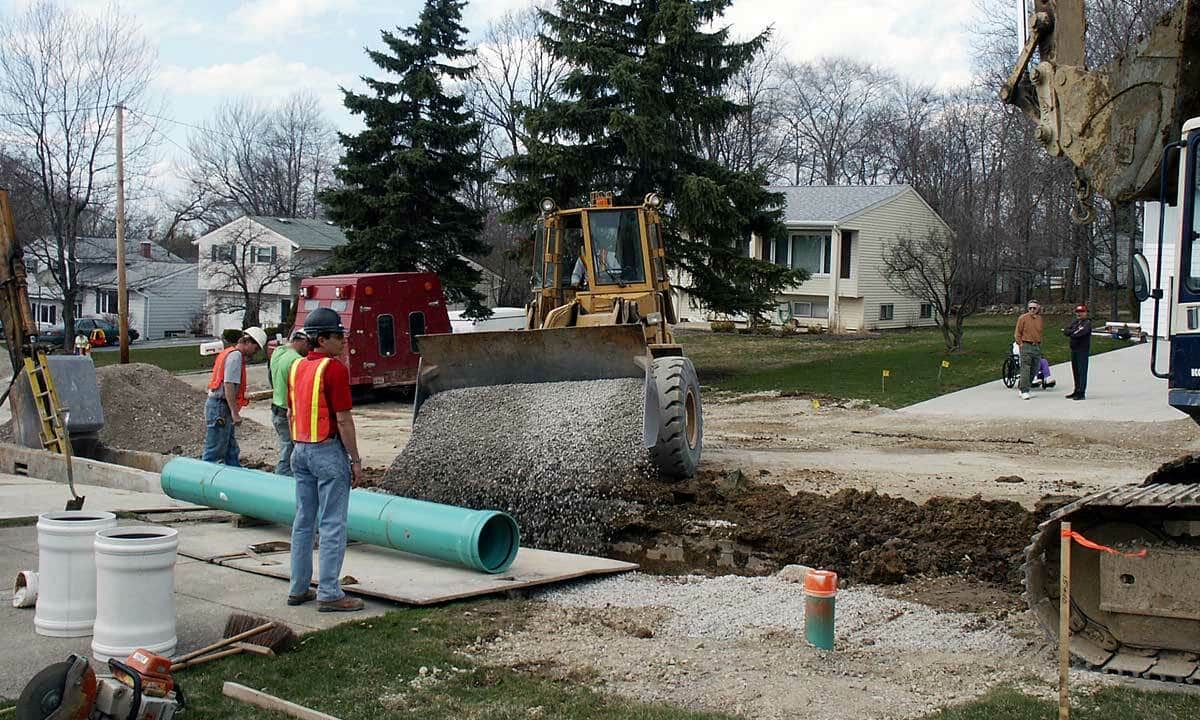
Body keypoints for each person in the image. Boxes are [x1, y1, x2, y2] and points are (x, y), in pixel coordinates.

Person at [286, 307, 364, 612]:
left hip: (300, 449)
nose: (343, 341)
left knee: (304, 521)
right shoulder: (333, 369)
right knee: (332, 523)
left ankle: (298, 587)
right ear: (322, 339)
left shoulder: (297, 367)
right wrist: (355, 460)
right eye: (338, 336)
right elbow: (343, 420)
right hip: (326, 450)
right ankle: (330, 593)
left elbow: (291, 411)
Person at [201, 327, 267, 467]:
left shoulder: (230, 353)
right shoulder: (235, 356)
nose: (255, 353)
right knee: (214, 451)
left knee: (231, 450)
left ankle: (235, 477)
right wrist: (234, 412)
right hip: (220, 407)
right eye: (255, 349)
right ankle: (204, 480)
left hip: (219, 405)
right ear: (249, 342)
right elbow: (229, 385)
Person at [268, 329, 309, 475]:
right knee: (289, 449)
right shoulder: (297, 360)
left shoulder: (278, 352)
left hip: (276, 408)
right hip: (288, 411)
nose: (309, 349)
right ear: (303, 341)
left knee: (287, 445)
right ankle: (282, 479)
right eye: (308, 345)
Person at [1014, 299, 1044, 400]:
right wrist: (1021, 344)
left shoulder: (1039, 319)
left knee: (1035, 368)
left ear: (1038, 308)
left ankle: (1023, 386)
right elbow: (1018, 332)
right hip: (1026, 345)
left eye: (1034, 308)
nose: (1032, 310)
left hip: (1036, 346)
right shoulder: (1023, 318)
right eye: (1030, 308)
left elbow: (1039, 332)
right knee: (1025, 368)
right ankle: (1024, 390)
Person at [1064, 304, 1092, 400]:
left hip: (1082, 350)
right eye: (1078, 312)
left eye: (1081, 312)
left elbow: (1079, 333)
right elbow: (1066, 331)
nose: (1079, 314)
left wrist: (1072, 332)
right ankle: (1076, 390)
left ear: (1086, 313)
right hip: (1074, 349)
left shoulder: (1087, 323)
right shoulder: (1075, 322)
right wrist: (1073, 331)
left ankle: (1081, 393)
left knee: (1082, 371)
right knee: (1075, 371)